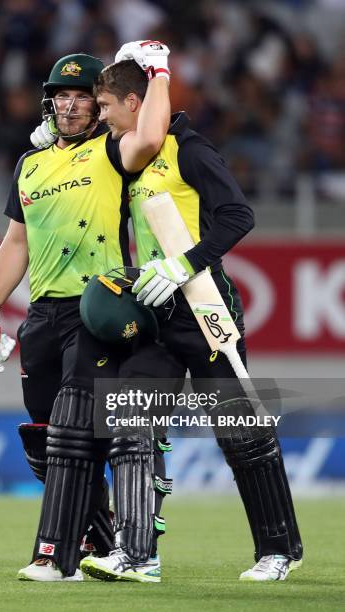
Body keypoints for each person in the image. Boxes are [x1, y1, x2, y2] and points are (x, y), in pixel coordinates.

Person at [73, 58, 303, 583]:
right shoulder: (130, 156)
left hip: (204, 304)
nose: (102, 116)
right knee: (131, 422)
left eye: (106, 106)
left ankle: (279, 550)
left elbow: (238, 216)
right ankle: (137, 554)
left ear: (135, 102)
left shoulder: (191, 149)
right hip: (154, 314)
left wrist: (183, 265)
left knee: (240, 434)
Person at [0, 44, 173, 582]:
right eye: (63, 96)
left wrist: (157, 74)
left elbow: (150, 136)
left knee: (74, 433)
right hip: (41, 316)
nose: (73, 106)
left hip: (95, 310)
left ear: (98, 106)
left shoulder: (111, 149)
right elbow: (16, 243)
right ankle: (99, 537)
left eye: (85, 97)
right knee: (42, 435)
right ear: (48, 103)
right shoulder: (30, 164)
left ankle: (56, 554)